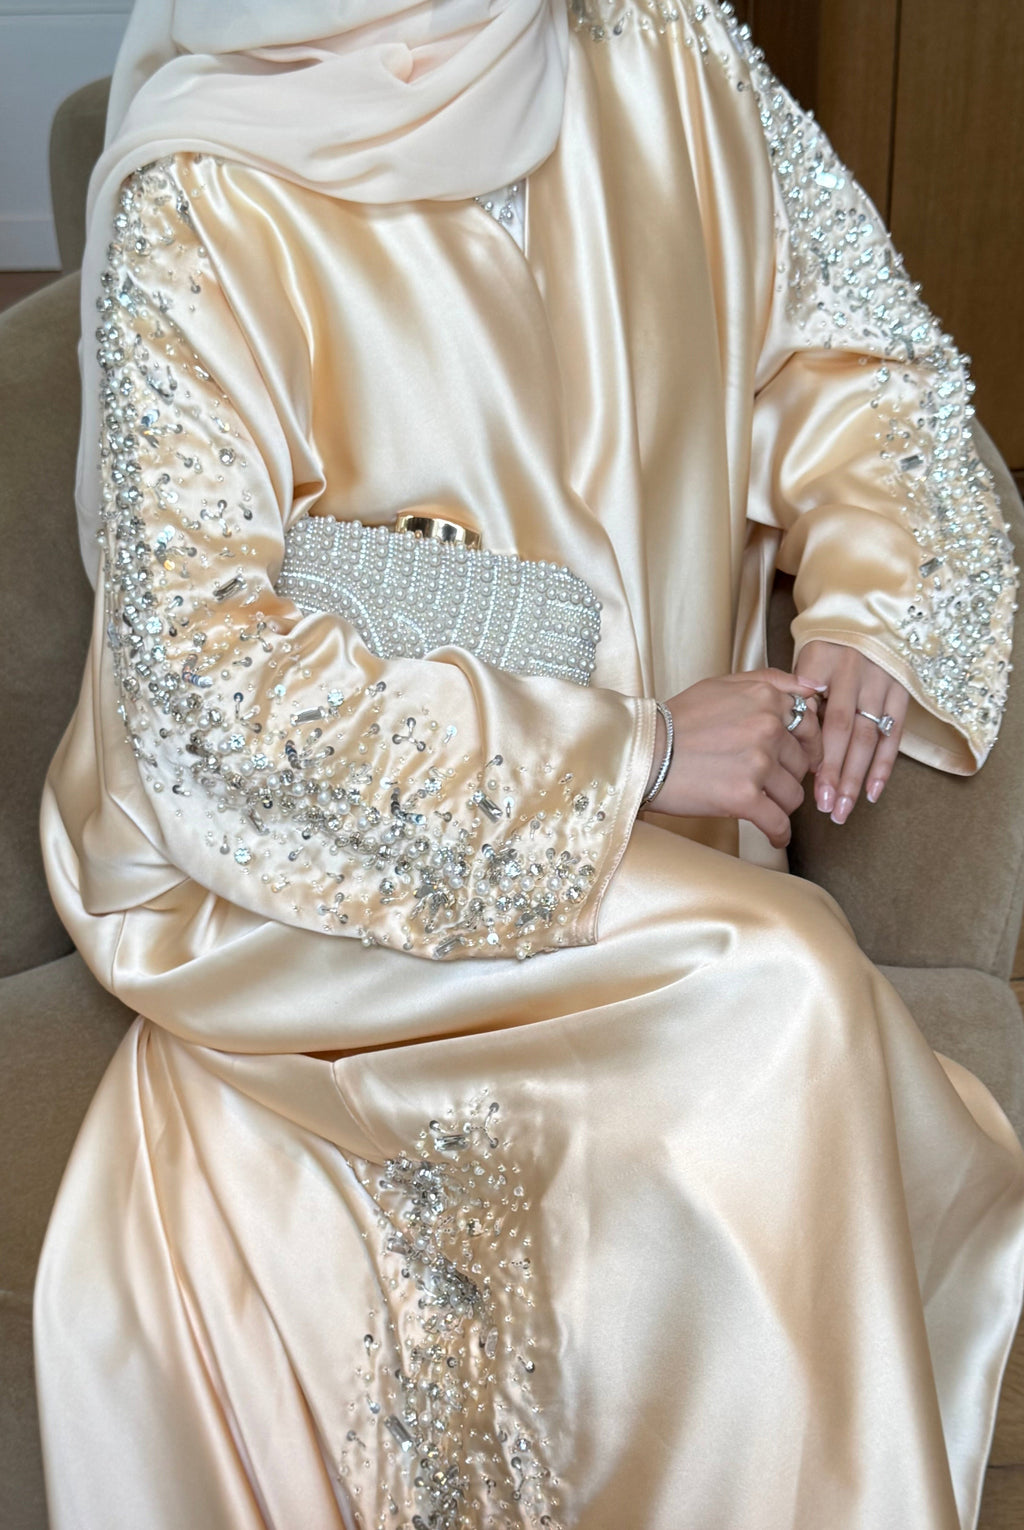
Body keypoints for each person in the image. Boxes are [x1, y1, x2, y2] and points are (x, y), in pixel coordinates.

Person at [34, 0, 1024, 1526]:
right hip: (324, 878)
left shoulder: (667, 52)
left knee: (771, 986)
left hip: (669, 862)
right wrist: (636, 751)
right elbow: (202, 693)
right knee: (781, 989)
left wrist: (871, 603)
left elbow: (870, 361)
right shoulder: (209, 180)